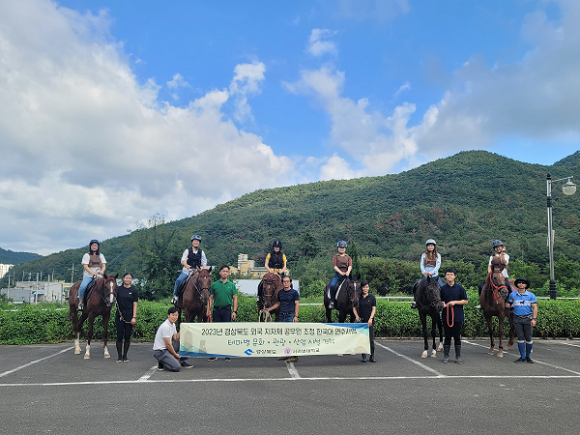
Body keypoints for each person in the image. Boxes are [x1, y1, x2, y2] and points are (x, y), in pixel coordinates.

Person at [265, 275, 300, 362]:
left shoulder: (294, 292)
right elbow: (278, 304)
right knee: (283, 336)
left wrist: (296, 316)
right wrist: (269, 309)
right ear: (282, 283)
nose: (286, 283)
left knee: (291, 336)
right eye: (284, 282)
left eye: (287, 281)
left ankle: (294, 356)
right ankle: (286, 353)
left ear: (290, 283)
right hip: (282, 316)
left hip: (290, 316)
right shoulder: (280, 293)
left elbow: (297, 304)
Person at [207, 265, 238, 362]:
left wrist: (234, 311)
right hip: (216, 310)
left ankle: (227, 354)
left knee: (226, 332)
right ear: (220, 272)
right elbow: (211, 298)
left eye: (227, 271)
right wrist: (208, 309)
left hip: (227, 310)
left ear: (228, 273)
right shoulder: (214, 285)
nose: (225, 273)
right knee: (216, 332)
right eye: (223, 271)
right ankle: (214, 354)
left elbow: (235, 298)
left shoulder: (231, 285)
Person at [440, 268, 468, 364]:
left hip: (457, 316)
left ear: (454, 276)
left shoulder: (460, 288)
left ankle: (458, 356)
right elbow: (441, 300)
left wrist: (455, 302)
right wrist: (443, 304)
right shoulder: (443, 289)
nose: (449, 276)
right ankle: (446, 356)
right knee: (447, 336)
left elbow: (465, 301)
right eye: (448, 274)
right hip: (446, 316)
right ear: (445, 276)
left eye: (451, 274)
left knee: (457, 336)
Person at [508, 277, 538, 364]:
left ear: (526, 285)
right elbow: (509, 304)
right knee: (520, 338)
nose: (521, 284)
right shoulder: (512, 295)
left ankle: (528, 356)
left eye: (523, 283)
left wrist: (534, 319)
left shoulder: (531, 295)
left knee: (528, 338)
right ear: (517, 284)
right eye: (519, 282)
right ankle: (522, 356)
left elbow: (535, 307)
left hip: (528, 318)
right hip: (517, 319)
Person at [153, 306, 192, 371]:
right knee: (177, 367)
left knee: (185, 343)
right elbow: (168, 344)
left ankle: (181, 361)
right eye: (173, 315)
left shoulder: (173, 324)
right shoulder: (165, 326)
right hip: (161, 351)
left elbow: (176, 338)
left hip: (166, 349)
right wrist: (175, 355)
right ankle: (163, 361)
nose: (174, 317)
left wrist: (182, 328)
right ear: (168, 315)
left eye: (176, 315)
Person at [172, 235, 208, 304]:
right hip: (187, 271)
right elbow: (183, 259)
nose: (196, 242)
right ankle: (175, 296)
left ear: (199, 243)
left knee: (205, 282)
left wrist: (204, 269)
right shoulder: (187, 251)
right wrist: (186, 265)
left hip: (197, 271)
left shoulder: (201, 252)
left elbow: (204, 261)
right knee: (178, 281)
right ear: (192, 242)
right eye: (195, 241)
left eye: (197, 241)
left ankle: (206, 296)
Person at [476, 239, 511, 309]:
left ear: (502, 247)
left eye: (499, 247)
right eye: (496, 247)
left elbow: (504, 262)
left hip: (503, 276)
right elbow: (489, 266)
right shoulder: (492, 256)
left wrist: (502, 253)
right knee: (480, 286)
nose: (498, 248)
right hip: (494, 276)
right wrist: (490, 273)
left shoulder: (506, 256)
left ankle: (508, 302)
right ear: (494, 248)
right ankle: (481, 303)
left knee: (508, 287)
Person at [411, 239, 443, 309]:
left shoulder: (438, 255)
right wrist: (423, 271)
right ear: (427, 247)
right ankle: (415, 302)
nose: (430, 247)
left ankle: (442, 302)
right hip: (425, 277)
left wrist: (432, 272)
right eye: (429, 245)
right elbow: (421, 265)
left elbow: (438, 265)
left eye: (432, 245)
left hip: (434, 276)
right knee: (414, 286)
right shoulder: (423, 255)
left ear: (434, 247)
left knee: (442, 287)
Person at [115, 272, 138, 363]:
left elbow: (135, 304)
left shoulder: (134, 290)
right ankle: (119, 356)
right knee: (119, 335)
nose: (128, 279)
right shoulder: (118, 289)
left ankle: (125, 355)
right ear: (123, 279)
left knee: (127, 336)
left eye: (129, 278)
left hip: (129, 314)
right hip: (120, 314)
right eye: (126, 278)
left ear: (131, 280)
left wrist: (134, 317)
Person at [77, 239, 107, 311]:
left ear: (98, 247)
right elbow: (85, 266)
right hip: (89, 275)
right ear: (90, 246)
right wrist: (93, 273)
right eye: (93, 245)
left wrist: (102, 271)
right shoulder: (86, 255)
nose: (94, 247)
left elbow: (103, 265)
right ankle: (81, 302)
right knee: (83, 287)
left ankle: (108, 301)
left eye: (95, 245)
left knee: (108, 285)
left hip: (99, 275)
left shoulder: (101, 255)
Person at [353, 280, 376, 363]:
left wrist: (371, 318)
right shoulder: (358, 298)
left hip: (369, 322)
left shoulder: (372, 297)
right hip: (361, 322)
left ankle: (372, 356)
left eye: (367, 287)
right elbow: (354, 308)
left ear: (368, 288)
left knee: (371, 340)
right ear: (361, 288)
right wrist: (357, 317)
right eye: (363, 287)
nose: (365, 289)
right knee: (362, 339)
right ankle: (364, 356)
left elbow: (373, 309)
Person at [329, 240, 352, 309]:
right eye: (340, 248)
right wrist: (340, 272)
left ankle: (356, 301)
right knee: (332, 285)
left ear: (345, 248)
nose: (342, 249)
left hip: (346, 275)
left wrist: (348, 272)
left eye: (343, 248)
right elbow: (335, 266)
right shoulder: (335, 257)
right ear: (338, 248)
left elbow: (350, 266)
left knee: (354, 286)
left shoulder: (348, 257)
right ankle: (332, 301)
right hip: (338, 275)